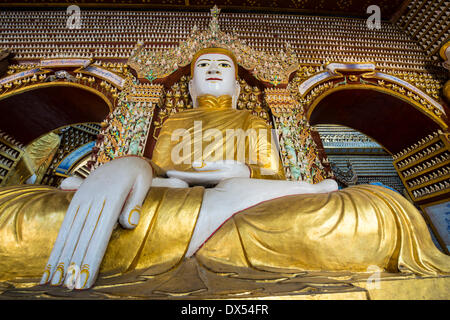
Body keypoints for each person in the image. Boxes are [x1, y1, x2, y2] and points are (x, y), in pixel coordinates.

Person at [0, 48, 448, 291]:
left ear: (238, 83)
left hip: (245, 208)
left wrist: (237, 179)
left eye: (223, 66)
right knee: (11, 210)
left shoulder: (253, 121)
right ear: (188, 84)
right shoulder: (174, 121)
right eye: (204, 67)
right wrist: (130, 170)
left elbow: (273, 184)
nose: (214, 70)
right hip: (159, 203)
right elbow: (164, 175)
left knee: (372, 208)